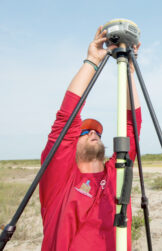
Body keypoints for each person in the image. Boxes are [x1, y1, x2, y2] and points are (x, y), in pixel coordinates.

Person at [39, 26, 142, 251]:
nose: (93, 132)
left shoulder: (116, 173)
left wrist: (129, 72)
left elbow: (132, 127)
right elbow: (66, 118)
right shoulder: (59, 179)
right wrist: (92, 60)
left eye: (96, 131)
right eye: (84, 132)